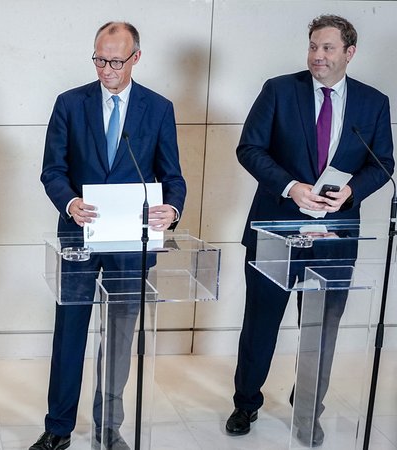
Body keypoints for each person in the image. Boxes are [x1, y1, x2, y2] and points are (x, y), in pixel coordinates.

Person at [226, 14, 394, 446]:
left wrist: (352, 192)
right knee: (261, 321)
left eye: (328, 48)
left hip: (335, 238)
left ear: (348, 53)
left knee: (322, 329)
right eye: (313, 47)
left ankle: (307, 410)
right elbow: (249, 148)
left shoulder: (373, 103)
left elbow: (384, 165)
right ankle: (246, 402)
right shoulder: (280, 90)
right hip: (276, 229)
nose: (318, 56)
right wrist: (291, 186)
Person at [33, 21, 186, 450]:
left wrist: (171, 208)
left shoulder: (158, 108)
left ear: (136, 58)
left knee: (119, 336)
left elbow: (173, 176)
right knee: (70, 332)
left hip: (131, 242)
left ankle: (108, 426)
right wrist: (69, 202)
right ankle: (58, 428)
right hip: (78, 236)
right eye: (99, 59)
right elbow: (53, 170)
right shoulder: (69, 103)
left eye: (116, 61)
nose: (106, 69)